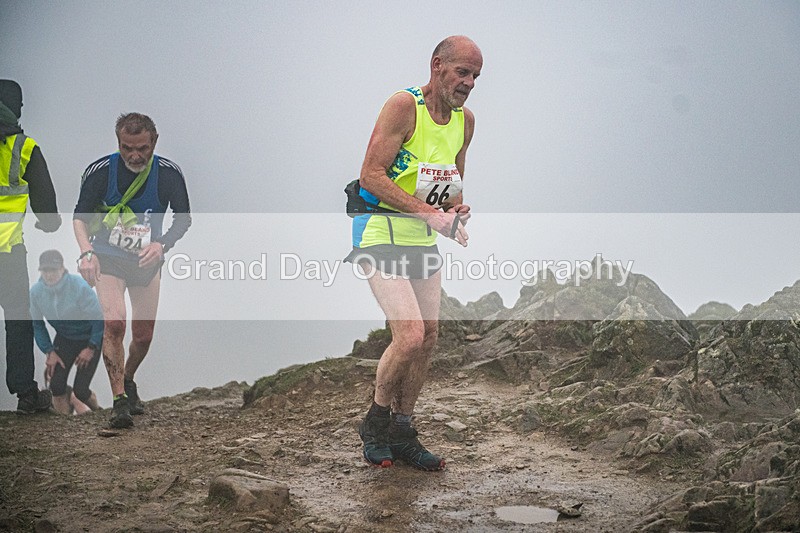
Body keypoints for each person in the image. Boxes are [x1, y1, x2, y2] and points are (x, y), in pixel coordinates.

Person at [346, 36, 481, 470]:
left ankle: (403, 431)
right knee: (409, 335)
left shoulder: (466, 122)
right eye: (463, 72)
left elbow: (449, 186)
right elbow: (370, 175)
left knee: (430, 338)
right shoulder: (404, 106)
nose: (469, 83)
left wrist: (455, 213)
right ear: (437, 65)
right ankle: (376, 422)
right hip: (379, 231)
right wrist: (430, 213)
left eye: (476, 76)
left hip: (421, 238)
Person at [73, 113, 191, 428]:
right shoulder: (100, 172)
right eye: (127, 148)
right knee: (114, 323)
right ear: (119, 143)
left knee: (143, 334)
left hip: (146, 261)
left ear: (153, 142)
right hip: (108, 257)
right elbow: (80, 218)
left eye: (141, 148)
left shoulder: (168, 174)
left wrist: (162, 245)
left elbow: (183, 219)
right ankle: (119, 402)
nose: (134, 155)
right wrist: (86, 253)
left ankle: (128, 378)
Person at [0, 79, 62, 414]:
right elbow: (48, 212)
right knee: (17, 319)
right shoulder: (24, 148)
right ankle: (25, 393)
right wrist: (47, 223)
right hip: (7, 253)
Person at [30, 249, 103, 415]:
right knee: (56, 386)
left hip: (89, 338)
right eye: (46, 270)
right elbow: (37, 324)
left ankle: (99, 413)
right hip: (65, 339)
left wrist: (91, 347)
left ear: (62, 269)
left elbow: (98, 319)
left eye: (53, 270)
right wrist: (49, 351)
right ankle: (64, 425)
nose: (50, 275)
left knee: (81, 391)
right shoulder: (36, 293)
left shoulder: (79, 287)